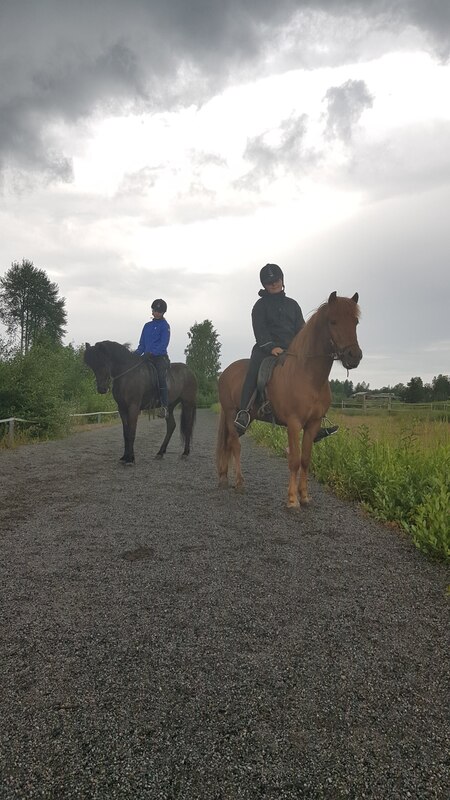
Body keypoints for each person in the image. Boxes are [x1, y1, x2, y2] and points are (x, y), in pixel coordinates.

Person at [234, 264, 339, 443]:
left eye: (276, 280)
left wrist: (304, 347)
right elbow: (260, 330)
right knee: (254, 372)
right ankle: (244, 412)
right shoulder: (260, 306)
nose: (274, 284)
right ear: (264, 285)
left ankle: (317, 419)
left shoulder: (293, 305)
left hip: (292, 350)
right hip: (265, 349)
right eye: (269, 282)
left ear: (282, 280)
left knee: (313, 373)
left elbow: (302, 329)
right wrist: (271, 347)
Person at [135, 299, 170, 419]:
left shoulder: (165, 326)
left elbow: (163, 344)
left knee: (160, 376)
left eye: (159, 312)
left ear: (163, 312)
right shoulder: (147, 326)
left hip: (159, 357)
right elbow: (142, 345)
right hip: (146, 357)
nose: (157, 313)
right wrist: (136, 354)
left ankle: (164, 406)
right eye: (155, 311)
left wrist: (151, 353)